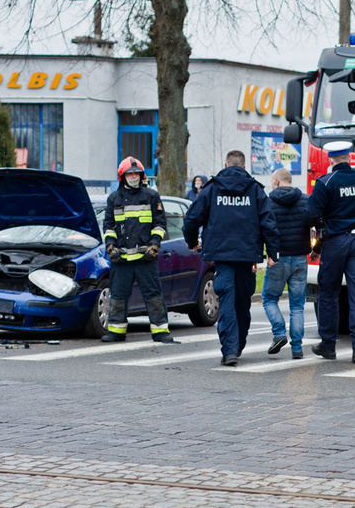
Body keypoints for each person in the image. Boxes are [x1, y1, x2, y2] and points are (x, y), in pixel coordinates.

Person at [183, 150, 280, 366]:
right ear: (244, 167)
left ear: (226, 165)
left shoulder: (212, 189)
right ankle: (237, 345)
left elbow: (191, 219)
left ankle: (230, 350)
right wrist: (273, 253)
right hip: (247, 257)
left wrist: (192, 243)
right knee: (242, 303)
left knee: (226, 299)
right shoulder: (255, 189)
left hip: (222, 256)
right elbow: (268, 223)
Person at [305, 141, 355, 364]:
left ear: (330, 159)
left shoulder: (325, 183)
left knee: (328, 295)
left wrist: (319, 237)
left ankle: (328, 345)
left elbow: (311, 215)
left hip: (335, 242)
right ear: (349, 157)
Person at [101, 156, 178, 344]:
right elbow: (108, 226)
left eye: (136, 173)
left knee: (153, 295)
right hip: (121, 259)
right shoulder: (113, 199)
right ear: (123, 176)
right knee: (118, 295)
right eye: (130, 173)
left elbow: (160, 224)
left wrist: (154, 245)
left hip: (146, 258)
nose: (134, 176)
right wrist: (111, 247)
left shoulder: (151, 196)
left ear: (142, 175)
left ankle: (160, 331)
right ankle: (116, 332)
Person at [263, 167, 310, 359]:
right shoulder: (306, 200)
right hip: (300, 258)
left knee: (269, 298)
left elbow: (264, 229)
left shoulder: (268, 202)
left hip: (278, 259)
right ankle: (297, 348)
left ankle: (279, 332)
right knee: (297, 306)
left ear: (277, 181)